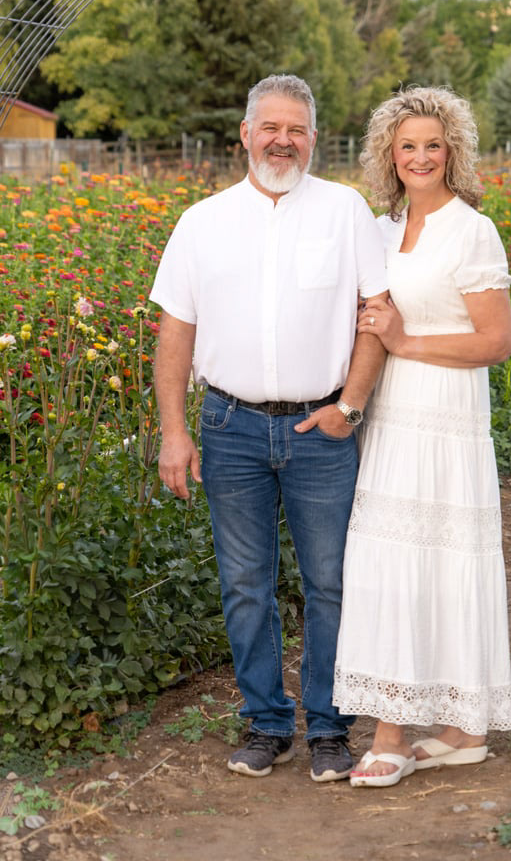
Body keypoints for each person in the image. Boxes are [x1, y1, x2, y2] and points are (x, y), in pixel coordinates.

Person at [149, 74, 388, 783]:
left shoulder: (345, 211)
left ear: (313, 138)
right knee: (247, 584)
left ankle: (329, 729)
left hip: (322, 428)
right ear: (245, 135)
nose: (283, 141)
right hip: (231, 426)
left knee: (331, 583)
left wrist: (349, 407)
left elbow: (375, 315)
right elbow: (175, 332)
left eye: (296, 130)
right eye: (271, 128)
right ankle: (266, 723)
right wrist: (173, 432)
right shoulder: (202, 222)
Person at [333, 85, 511, 788]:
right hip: (393, 415)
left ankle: (391, 735)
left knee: (435, 560)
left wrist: (406, 341)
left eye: (432, 145)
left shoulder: (472, 230)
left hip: (447, 414)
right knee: (394, 560)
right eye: (406, 145)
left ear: (452, 152)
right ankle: (464, 731)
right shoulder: (382, 230)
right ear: (389, 154)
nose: (419, 157)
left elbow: (496, 341)